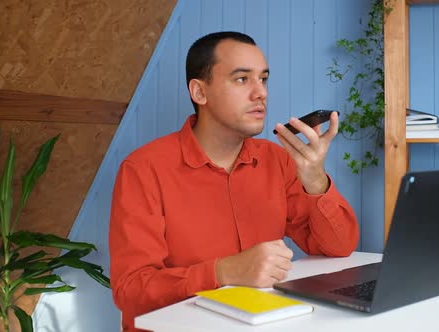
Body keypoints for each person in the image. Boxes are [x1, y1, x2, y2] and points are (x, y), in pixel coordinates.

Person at [109, 31, 359, 332]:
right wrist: (224, 271)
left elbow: (339, 247)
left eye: (263, 79)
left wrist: (315, 178)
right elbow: (131, 290)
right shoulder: (143, 169)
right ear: (199, 92)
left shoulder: (276, 160)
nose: (261, 93)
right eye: (242, 79)